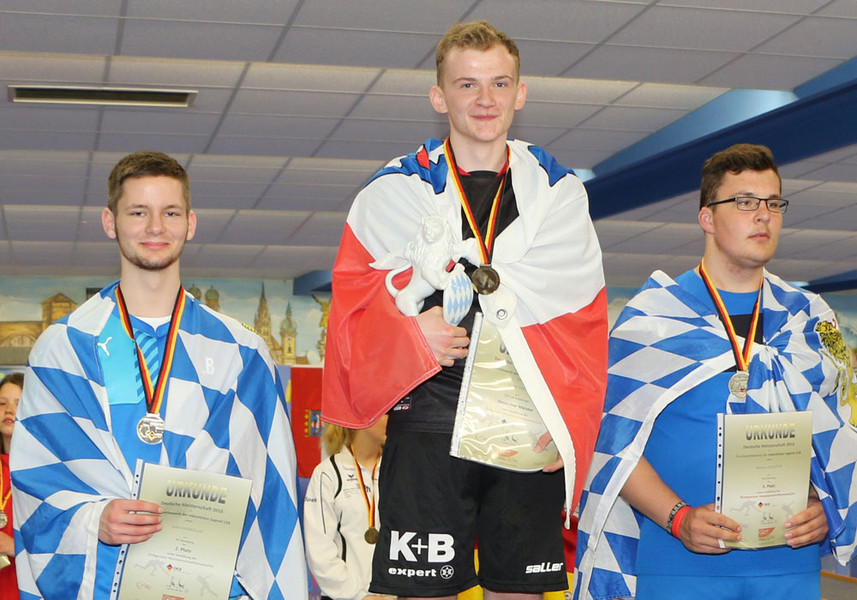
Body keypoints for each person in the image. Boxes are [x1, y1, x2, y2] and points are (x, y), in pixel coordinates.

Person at [323, 21, 607, 599]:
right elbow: (352, 310)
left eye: (499, 84)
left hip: (523, 426)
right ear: (439, 96)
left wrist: (567, 423)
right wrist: (410, 337)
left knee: (519, 591)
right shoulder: (393, 191)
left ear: (520, 93)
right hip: (428, 421)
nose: (485, 99)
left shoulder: (558, 193)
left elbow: (582, 324)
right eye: (467, 85)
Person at [10, 151, 307, 600]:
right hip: (101, 583)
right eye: (138, 212)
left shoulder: (242, 353)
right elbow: (37, 484)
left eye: (170, 212)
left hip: (211, 587)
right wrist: (95, 519)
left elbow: (271, 493)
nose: (155, 227)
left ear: (190, 223)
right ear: (110, 222)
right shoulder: (63, 349)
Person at [574, 144, 857, 600]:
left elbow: (841, 436)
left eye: (773, 203)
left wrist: (826, 504)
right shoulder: (654, 320)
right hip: (678, 566)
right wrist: (677, 518)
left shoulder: (811, 321)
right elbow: (609, 442)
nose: (763, 215)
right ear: (707, 217)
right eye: (744, 202)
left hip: (790, 567)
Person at [304, 416, 394, 600]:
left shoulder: (400, 470)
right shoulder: (327, 474)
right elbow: (319, 550)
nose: (393, 419)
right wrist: (359, 596)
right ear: (362, 416)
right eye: (386, 413)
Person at [0, 372, 23, 600]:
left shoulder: (48, 473)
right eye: (2, 403)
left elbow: (65, 546)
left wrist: (13, 546)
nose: (9, 410)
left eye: (18, 403)